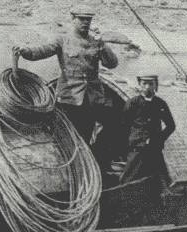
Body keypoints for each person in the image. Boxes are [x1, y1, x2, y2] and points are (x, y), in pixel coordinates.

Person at [13, 12, 118, 144]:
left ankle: (83, 163)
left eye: (88, 20)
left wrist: (102, 44)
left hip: (91, 99)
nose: (86, 22)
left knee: (84, 138)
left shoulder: (95, 42)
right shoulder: (62, 40)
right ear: (73, 19)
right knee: (65, 137)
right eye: (82, 19)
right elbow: (43, 50)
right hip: (69, 98)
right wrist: (26, 51)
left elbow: (112, 64)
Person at [120, 75, 175, 185]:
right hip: (137, 148)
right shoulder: (132, 103)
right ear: (139, 85)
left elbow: (171, 126)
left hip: (154, 148)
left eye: (151, 84)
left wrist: (159, 139)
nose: (147, 87)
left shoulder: (160, 104)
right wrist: (134, 140)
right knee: (128, 178)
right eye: (144, 83)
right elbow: (124, 125)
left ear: (155, 85)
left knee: (160, 179)